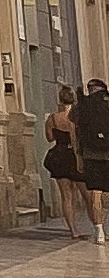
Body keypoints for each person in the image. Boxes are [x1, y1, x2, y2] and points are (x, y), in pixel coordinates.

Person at [45, 85, 96, 238]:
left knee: (67, 196)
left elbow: (50, 138)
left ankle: (73, 230)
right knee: (88, 196)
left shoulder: (53, 118)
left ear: (60, 99)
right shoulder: (78, 117)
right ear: (74, 99)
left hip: (60, 156)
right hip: (75, 156)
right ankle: (97, 227)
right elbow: (79, 139)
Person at [76, 76, 109, 238]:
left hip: (90, 154)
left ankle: (99, 231)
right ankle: (105, 227)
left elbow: (75, 130)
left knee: (96, 191)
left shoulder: (82, 105)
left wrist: (79, 156)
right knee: (107, 193)